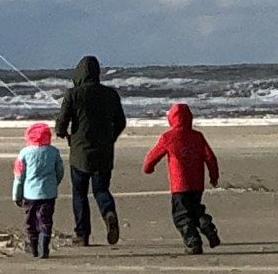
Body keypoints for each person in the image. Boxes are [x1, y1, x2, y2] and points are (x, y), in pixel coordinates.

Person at [54, 55, 126, 245]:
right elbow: (121, 122)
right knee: (101, 189)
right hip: (104, 151)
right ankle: (108, 212)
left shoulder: (73, 94)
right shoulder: (110, 94)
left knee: (79, 193)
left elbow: (62, 122)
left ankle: (82, 234)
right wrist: (111, 138)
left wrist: (62, 133)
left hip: (80, 152)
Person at [142, 102, 221, 254]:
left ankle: (193, 242)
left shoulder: (168, 137)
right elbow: (210, 157)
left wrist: (148, 167)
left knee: (182, 215)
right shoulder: (197, 136)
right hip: (197, 183)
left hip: (179, 185)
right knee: (195, 209)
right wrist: (213, 175)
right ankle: (206, 225)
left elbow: (153, 156)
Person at [11, 121, 65, 259]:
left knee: (30, 221)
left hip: (30, 193)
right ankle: (44, 246)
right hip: (49, 193)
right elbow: (60, 171)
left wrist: (16, 195)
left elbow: (19, 176)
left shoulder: (24, 153)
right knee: (46, 219)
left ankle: (34, 247)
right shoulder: (53, 152)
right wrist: (54, 184)